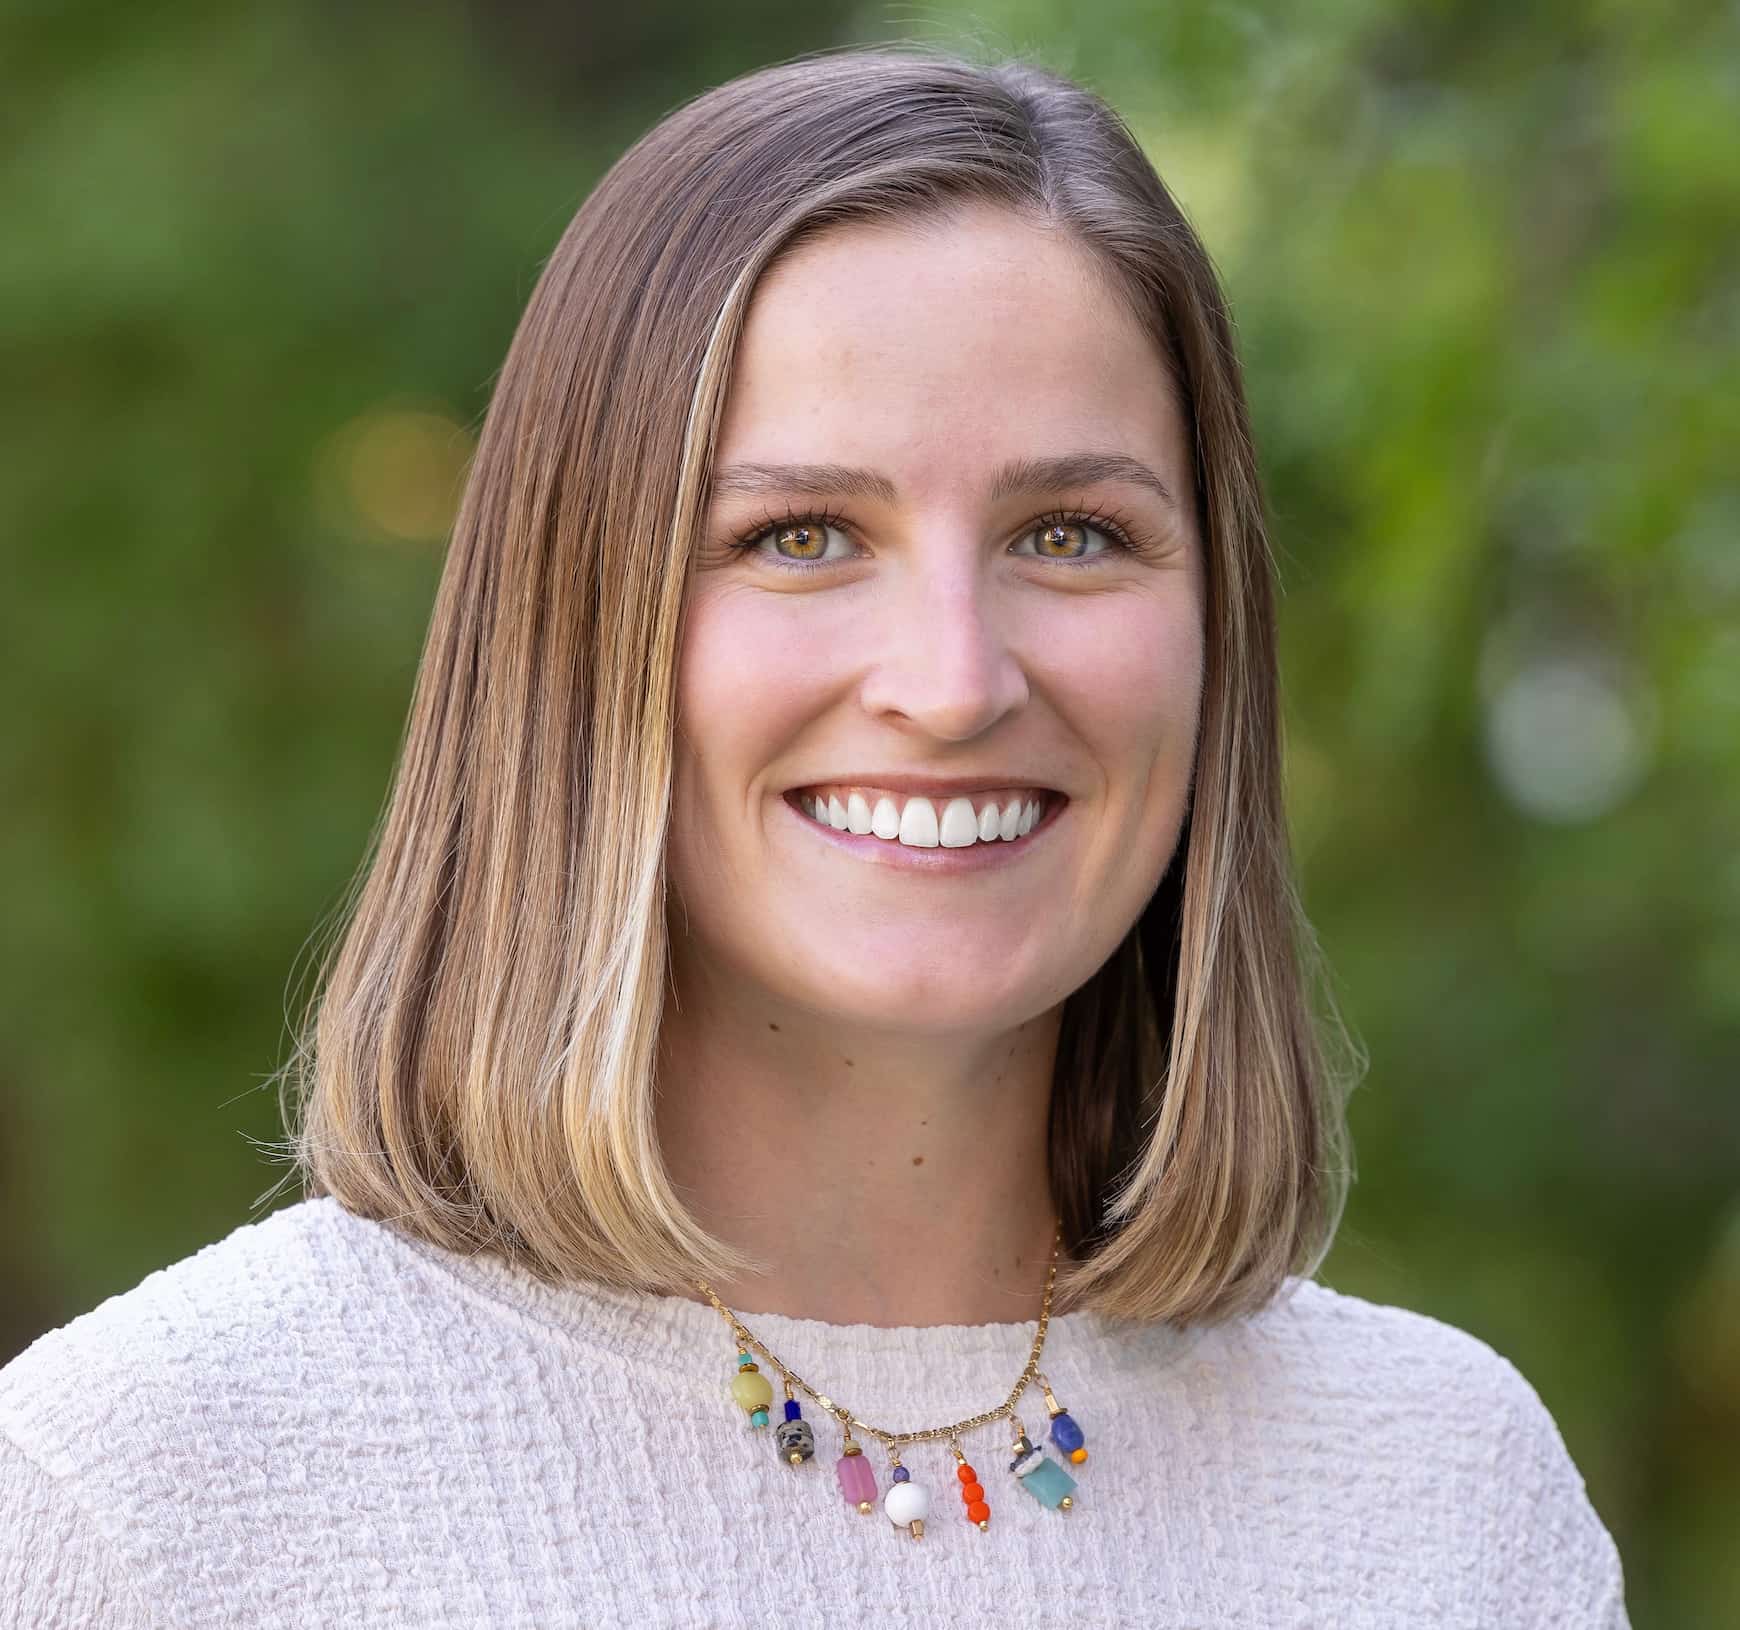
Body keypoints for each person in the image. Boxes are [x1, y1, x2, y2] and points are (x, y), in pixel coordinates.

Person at [0, 44, 1629, 1628]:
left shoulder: (1444, 1496)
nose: (954, 681)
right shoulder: (146, 1499)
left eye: (1073, 533)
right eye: (799, 535)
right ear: (570, 624)